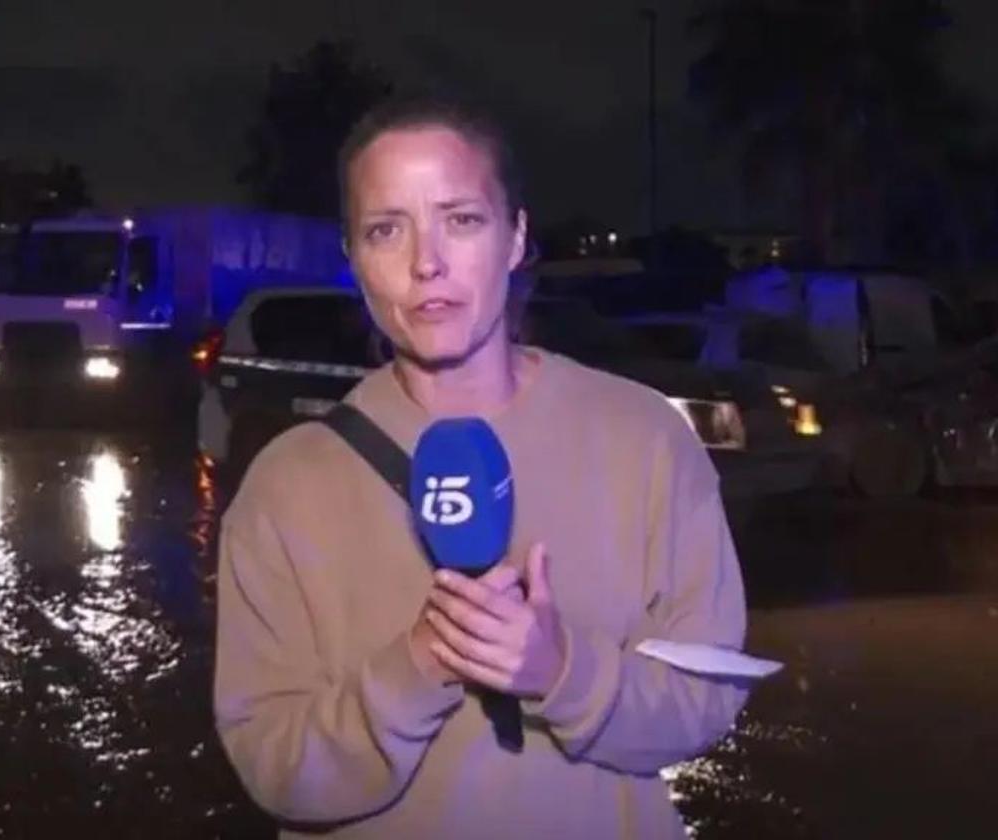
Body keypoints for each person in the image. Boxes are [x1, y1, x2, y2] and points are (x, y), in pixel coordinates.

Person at [214, 97, 749, 838]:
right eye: (385, 228)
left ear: (516, 236)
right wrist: (418, 666)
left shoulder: (647, 439)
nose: (425, 262)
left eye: (460, 219)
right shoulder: (286, 487)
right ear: (352, 259)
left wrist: (564, 669)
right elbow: (274, 766)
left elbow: (707, 697)